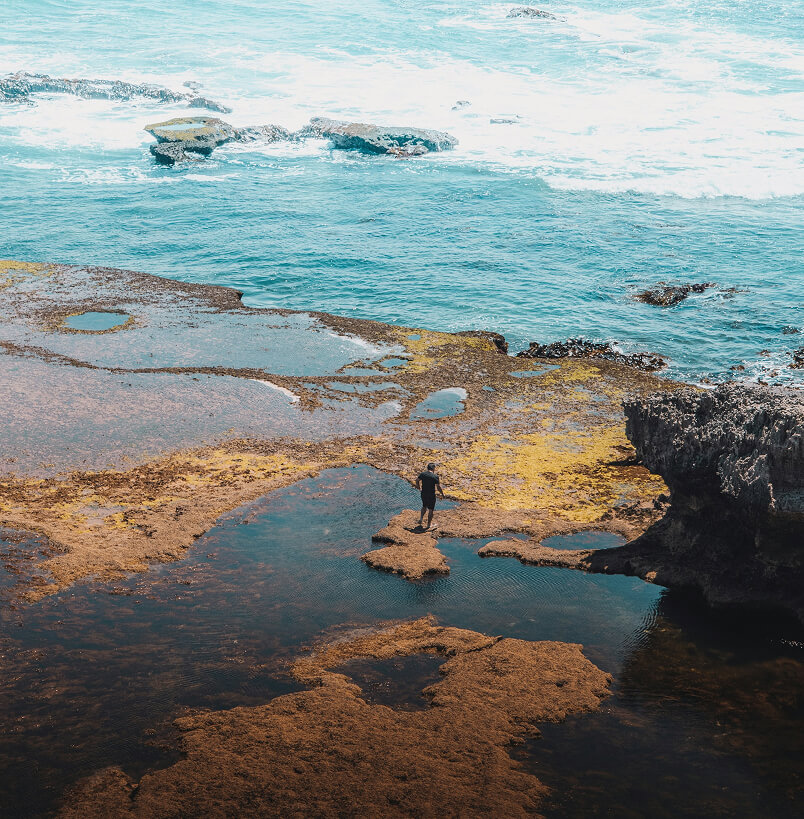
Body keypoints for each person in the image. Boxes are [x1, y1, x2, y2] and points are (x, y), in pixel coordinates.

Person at [415, 463, 444, 530]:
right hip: (431, 495)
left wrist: (418, 487)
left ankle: (421, 519)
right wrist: (442, 494)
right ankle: (428, 525)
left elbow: (417, 480)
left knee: (424, 506)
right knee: (431, 509)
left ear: (427, 468)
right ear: (433, 468)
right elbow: (438, 487)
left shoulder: (423, 474)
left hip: (423, 493)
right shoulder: (435, 476)